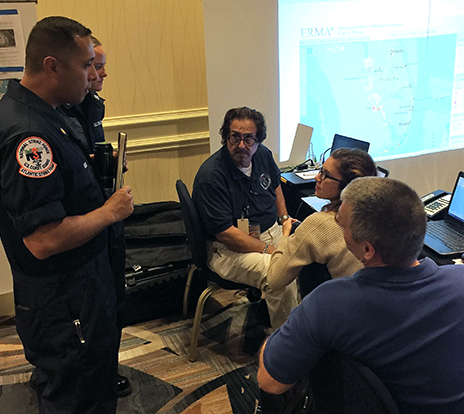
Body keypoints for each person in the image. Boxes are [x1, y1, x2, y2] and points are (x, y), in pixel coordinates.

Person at [0, 16, 134, 414]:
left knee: (91, 387)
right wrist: (108, 212)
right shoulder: (28, 135)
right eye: (85, 65)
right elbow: (44, 239)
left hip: (80, 292)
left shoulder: (48, 114)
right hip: (66, 303)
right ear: (52, 66)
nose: (92, 75)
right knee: (78, 398)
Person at [258, 177, 464, 414]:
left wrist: (271, 343)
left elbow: (270, 382)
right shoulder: (459, 281)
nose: (338, 227)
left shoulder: (328, 303)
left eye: (341, 224)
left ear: (367, 250)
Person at [56, 36, 131, 397]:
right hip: (88, 226)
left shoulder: (89, 106)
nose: (100, 74)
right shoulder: (59, 115)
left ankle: (107, 368)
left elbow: (85, 161)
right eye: (93, 65)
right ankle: (96, 375)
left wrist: (107, 165)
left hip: (104, 221)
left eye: (100, 65)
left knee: (111, 305)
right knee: (90, 314)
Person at [193, 106, 298, 329]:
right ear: (225, 138)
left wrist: (285, 220)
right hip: (228, 249)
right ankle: (286, 348)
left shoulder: (263, 155)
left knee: (312, 256)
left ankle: (306, 331)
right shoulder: (211, 176)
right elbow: (226, 235)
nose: (241, 145)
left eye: (248, 139)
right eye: (235, 137)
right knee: (280, 274)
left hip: (272, 232)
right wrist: (269, 250)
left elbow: (277, 188)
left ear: (258, 140)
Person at [266, 148, 378, 293]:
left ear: (347, 186)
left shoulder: (319, 224)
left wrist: (285, 235)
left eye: (326, 175)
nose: (317, 177)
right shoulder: (378, 220)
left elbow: (274, 280)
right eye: (321, 170)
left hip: (336, 309)